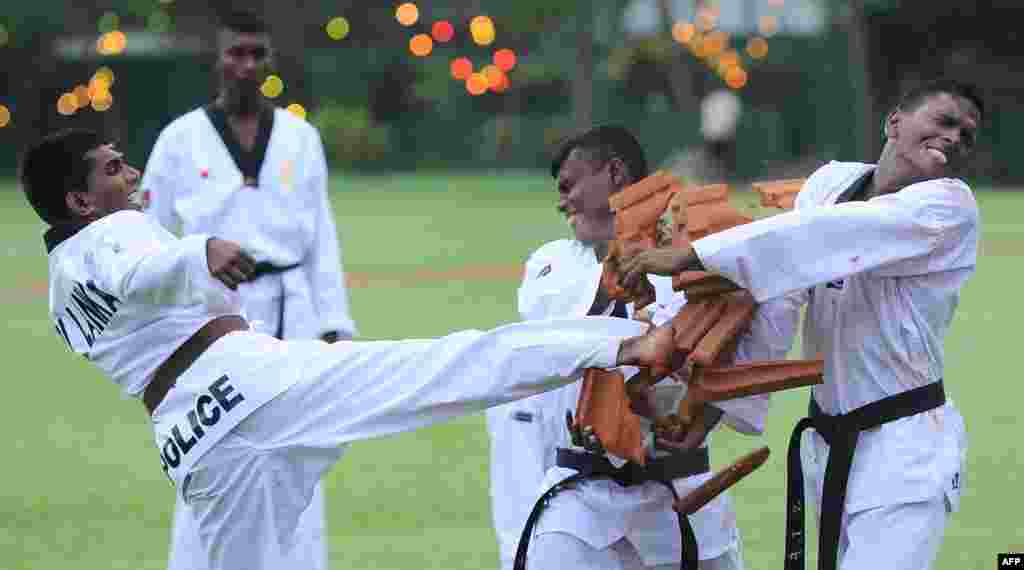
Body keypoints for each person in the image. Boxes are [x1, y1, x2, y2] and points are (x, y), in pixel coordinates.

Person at [22, 127, 686, 570]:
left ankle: (622, 345)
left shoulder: (61, 289)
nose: (131, 173)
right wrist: (200, 248)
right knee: (451, 365)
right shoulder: (116, 235)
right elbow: (142, 269)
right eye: (113, 169)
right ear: (80, 199)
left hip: (191, 436)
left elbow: (126, 298)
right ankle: (628, 343)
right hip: (246, 384)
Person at [620, 79, 983, 570]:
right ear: (894, 122)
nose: (956, 138)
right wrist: (710, 410)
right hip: (828, 441)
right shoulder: (829, 184)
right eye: (944, 121)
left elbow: (823, 235)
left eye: (968, 135)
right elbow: (779, 298)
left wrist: (693, 254)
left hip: (907, 446)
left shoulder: (950, 208)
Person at [486, 125, 796, 570]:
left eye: (569, 185)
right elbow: (563, 323)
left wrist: (704, 416)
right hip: (583, 493)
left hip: (681, 492)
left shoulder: (699, 259)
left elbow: (764, 318)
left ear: (614, 173)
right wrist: (624, 289)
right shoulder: (551, 262)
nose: (562, 202)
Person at [141, 11, 355, 569]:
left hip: (293, 308)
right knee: (213, 451)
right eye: (235, 53)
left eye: (255, 54)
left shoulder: (300, 138)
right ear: (217, 59)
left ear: (269, 62)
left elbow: (321, 234)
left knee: (298, 450)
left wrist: (335, 324)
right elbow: (155, 241)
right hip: (213, 318)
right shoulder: (179, 140)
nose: (246, 65)